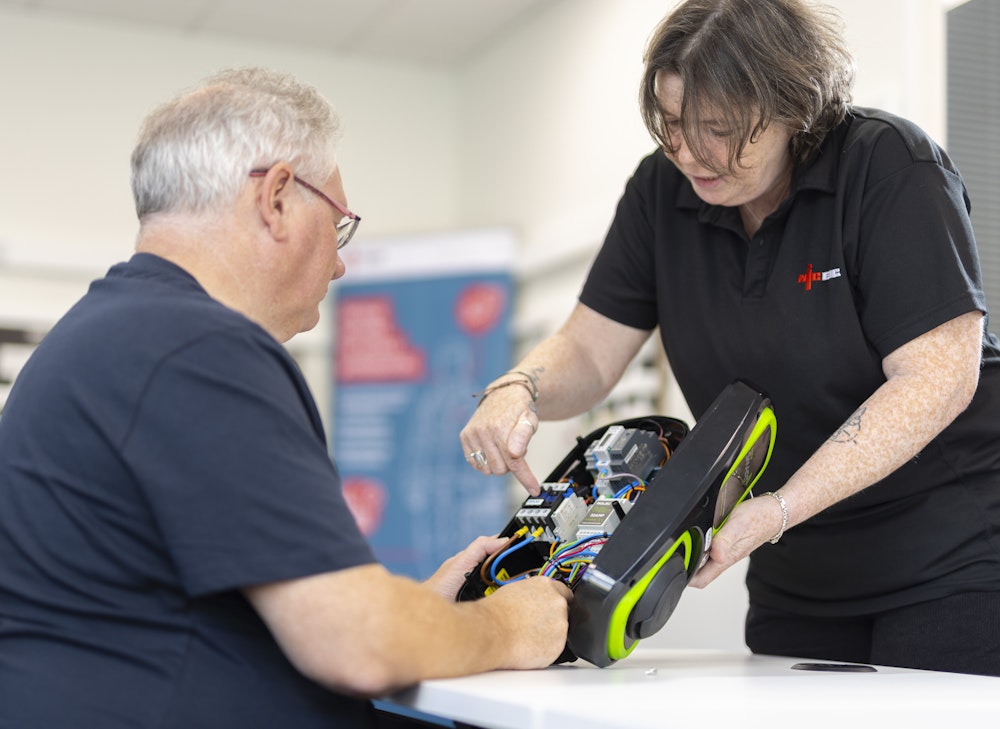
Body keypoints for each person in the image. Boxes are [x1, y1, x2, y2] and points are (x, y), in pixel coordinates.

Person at [0, 67, 572, 729]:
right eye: (340, 226)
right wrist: (507, 622)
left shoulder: (119, 336)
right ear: (275, 197)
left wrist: (414, 612)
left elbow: (268, 614)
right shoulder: (198, 348)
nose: (338, 263)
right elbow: (358, 646)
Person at [460, 0, 1000, 676]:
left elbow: (938, 377)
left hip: (950, 560)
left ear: (795, 106)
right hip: (794, 570)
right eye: (672, 124)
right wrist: (520, 386)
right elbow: (592, 350)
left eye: (717, 128)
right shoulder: (662, 192)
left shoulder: (888, 168)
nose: (688, 151)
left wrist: (777, 508)